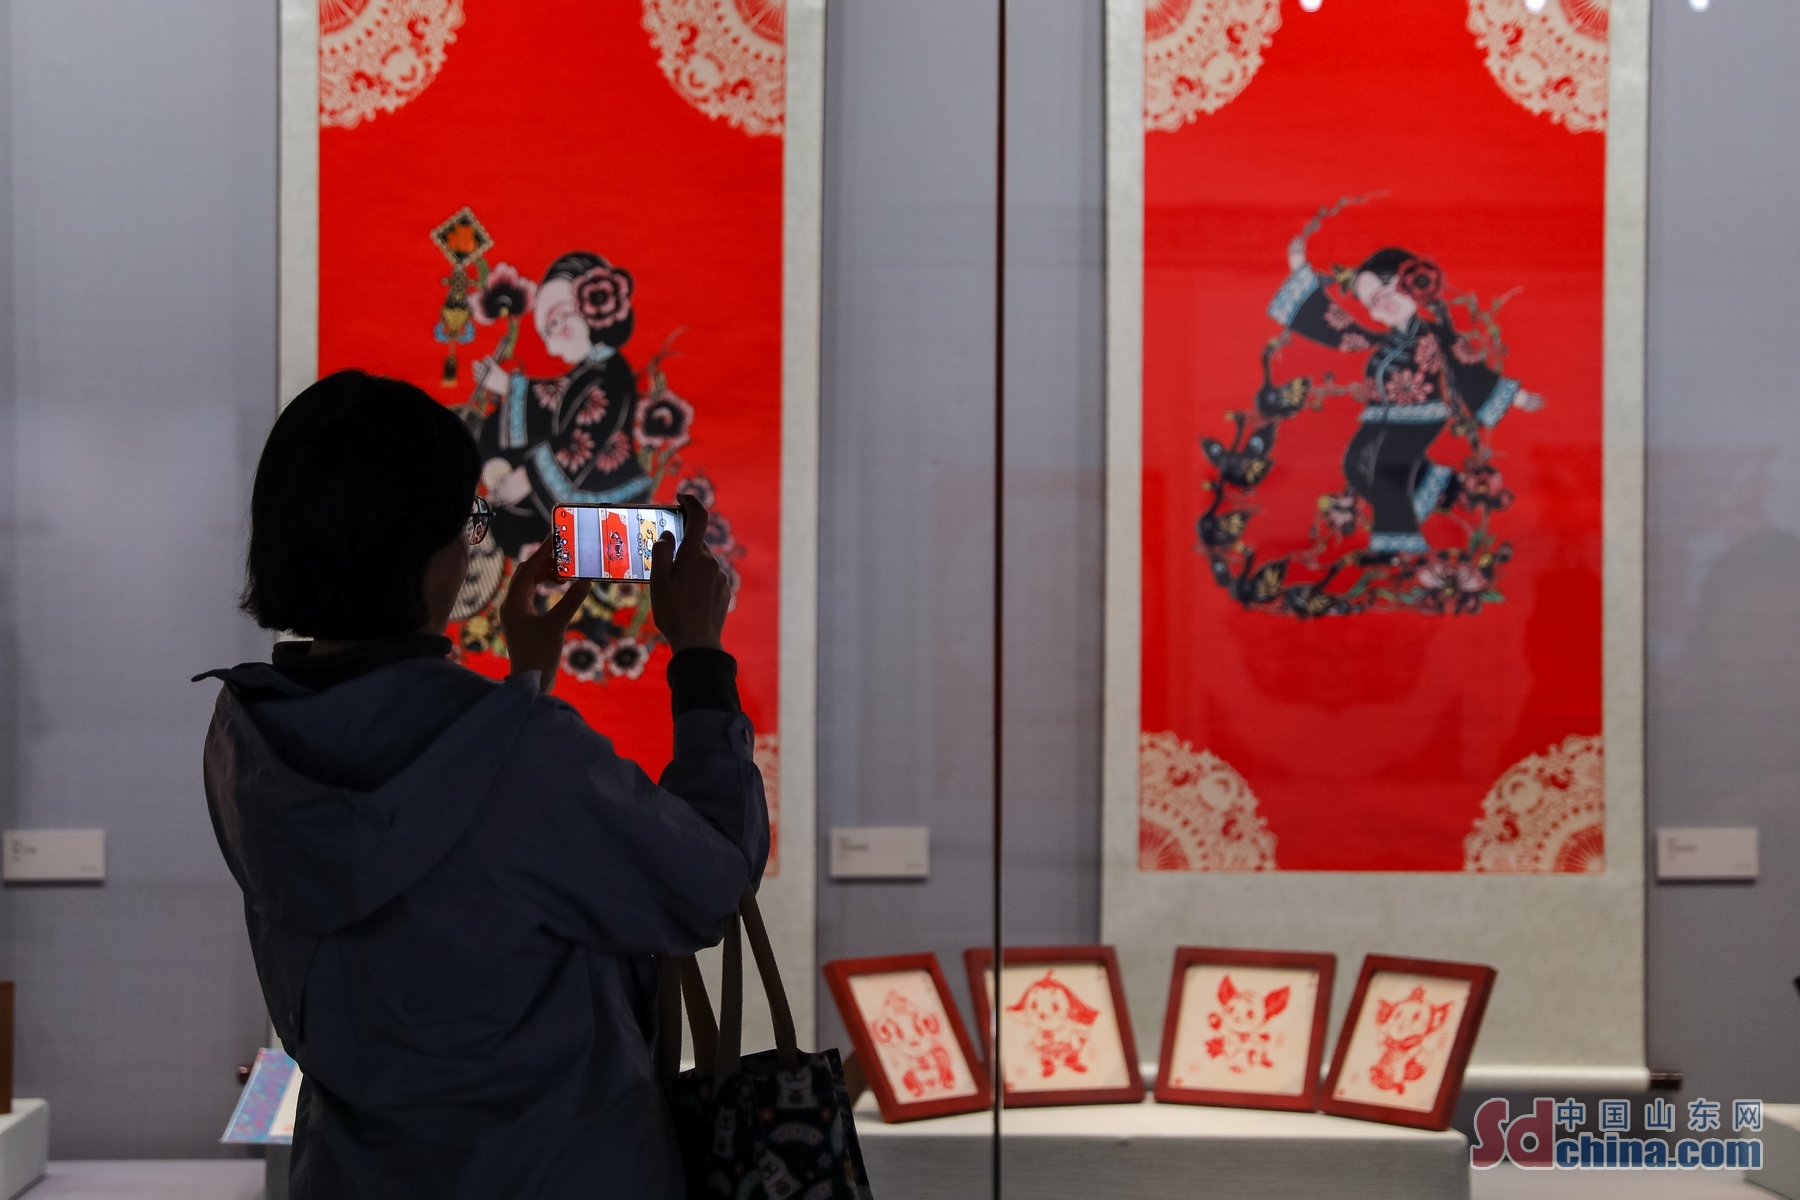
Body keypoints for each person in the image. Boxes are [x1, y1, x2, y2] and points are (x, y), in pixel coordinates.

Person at [199, 370, 766, 1198]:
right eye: (466, 519)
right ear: (426, 549)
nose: (471, 544)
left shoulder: (243, 739)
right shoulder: (522, 751)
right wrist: (701, 658)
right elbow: (711, 885)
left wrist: (525, 683)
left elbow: (432, 858)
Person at [1269, 239, 1545, 556]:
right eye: (1372, 302)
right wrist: (1298, 269)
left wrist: (1516, 396)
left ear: (1414, 284)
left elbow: (1466, 365)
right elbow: (1337, 328)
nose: (1382, 305)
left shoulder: (1434, 334)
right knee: (1355, 464)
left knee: (1386, 469)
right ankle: (1438, 484)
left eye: (1387, 291)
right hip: (1381, 415)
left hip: (1421, 415)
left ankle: (1399, 544)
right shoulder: (1380, 338)